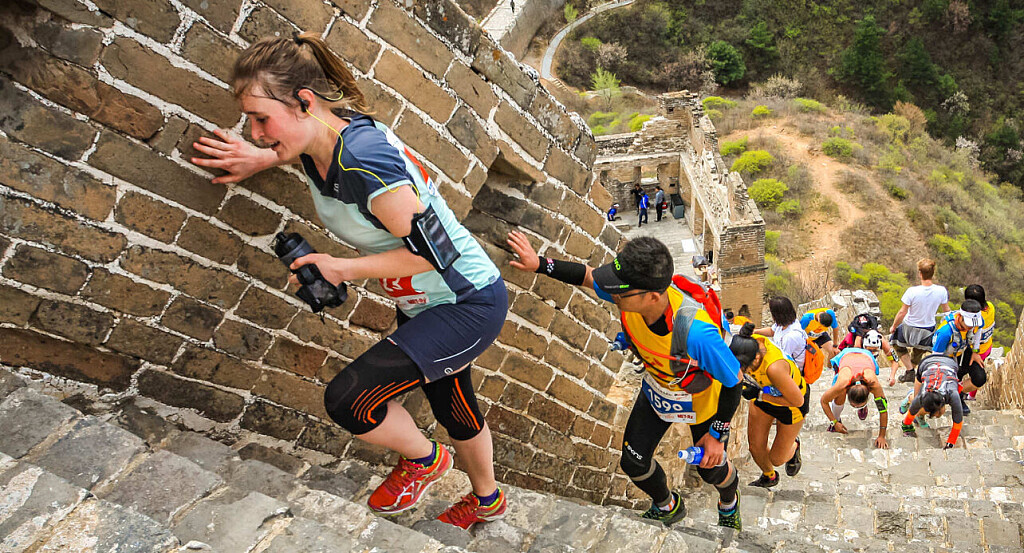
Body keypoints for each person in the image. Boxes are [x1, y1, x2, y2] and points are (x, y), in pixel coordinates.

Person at [190, 33, 508, 529]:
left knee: (350, 400)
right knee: (455, 407)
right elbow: (306, 152)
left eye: (260, 119)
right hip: (423, 303)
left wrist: (340, 268)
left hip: (465, 301)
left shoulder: (364, 161)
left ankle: (426, 460)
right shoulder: (322, 138)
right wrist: (262, 158)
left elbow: (434, 255)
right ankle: (489, 501)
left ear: (305, 101)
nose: (254, 132)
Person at [506, 232, 743, 529]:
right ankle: (668, 506)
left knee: (710, 469)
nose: (611, 295)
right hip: (660, 392)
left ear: (652, 296)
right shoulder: (630, 294)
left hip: (702, 402)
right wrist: (539, 263)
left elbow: (735, 381)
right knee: (634, 462)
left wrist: (718, 435)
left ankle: (729, 502)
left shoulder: (696, 332)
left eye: (620, 292)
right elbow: (587, 275)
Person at [731, 323, 808, 488]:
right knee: (755, 447)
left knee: (777, 459)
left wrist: (759, 395)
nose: (743, 372)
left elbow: (798, 401)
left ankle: (794, 446)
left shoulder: (774, 368)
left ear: (756, 359)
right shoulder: (747, 345)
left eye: (744, 368)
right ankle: (769, 477)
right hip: (763, 397)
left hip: (791, 406)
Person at [890, 259, 950, 383]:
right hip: (927, 329)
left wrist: (894, 326)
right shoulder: (941, 291)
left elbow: (902, 312)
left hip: (908, 328)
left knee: (896, 343)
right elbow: (946, 311)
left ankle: (910, 370)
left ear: (920, 273)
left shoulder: (912, 291)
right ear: (933, 273)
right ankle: (912, 369)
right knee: (919, 349)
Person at [819, 345, 891, 448]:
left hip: (866, 357)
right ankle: (838, 419)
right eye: (854, 405)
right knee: (839, 395)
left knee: (848, 391)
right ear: (848, 392)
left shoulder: (874, 385)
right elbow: (823, 401)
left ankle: (862, 407)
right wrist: (834, 422)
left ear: (869, 391)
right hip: (846, 355)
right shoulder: (842, 384)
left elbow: (883, 410)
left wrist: (882, 436)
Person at [930, 299, 985, 413]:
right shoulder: (945, 332)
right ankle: (949, 397)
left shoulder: (977, 322)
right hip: (946, 357)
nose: (971, 328)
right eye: (969, 324)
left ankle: (958, 394)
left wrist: (975, 351)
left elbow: (978, 330)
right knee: (948, 381)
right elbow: (936, 357)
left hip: (963, 351)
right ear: (960, 317)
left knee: (979, 378)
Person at [900, 355, 964, 449]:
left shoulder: (953, 394)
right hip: (925, 365)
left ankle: (912, 398)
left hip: (949, 363)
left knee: (934, 410)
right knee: (915, 400)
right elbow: (912, 410)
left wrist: (950, 443)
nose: (936, 416)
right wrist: (906, 427)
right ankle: (910, 397)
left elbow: (958, 420)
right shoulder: (922, 395)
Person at [754, 297, 807, 371]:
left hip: (792, 370)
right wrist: (755, 331)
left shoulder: (791, 336)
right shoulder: (784, 323)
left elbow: (783, 360)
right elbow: (772, 331)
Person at [963, 285, 995, 401]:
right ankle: (971, 396)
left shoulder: (975, 318)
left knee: (972, 373)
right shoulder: (991, 307)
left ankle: (960, 391)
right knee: (978, 371)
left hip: (976, 351)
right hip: (987, 346)